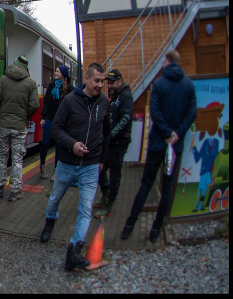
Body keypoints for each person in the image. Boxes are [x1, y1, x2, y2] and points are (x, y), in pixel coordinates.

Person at [38, 62, 110, 272]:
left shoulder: (104, 102)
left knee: (85, 209)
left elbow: (107, 134)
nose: (100, 85)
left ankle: (74, 251)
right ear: (86, 79)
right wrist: (72, 144)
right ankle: (49, 223)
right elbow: (57, 129)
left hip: (90, 166)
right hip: (67, 164)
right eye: (96, 81)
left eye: (102, 82)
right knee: (55, 199)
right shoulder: (70, 101)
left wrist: (102, 160)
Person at [121, 50, 196, 243]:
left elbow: (155, 111)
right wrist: (176, 134)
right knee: (168, 188)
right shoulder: (188, 85)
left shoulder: (159, 84)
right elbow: (191, 113)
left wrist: (165, 133)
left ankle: (129, 226)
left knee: (146, 185)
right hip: (175, 146)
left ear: (167, 61)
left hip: (157, 143)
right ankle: (155, 230)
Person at [0, 55, 39, 202]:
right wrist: (24, 116)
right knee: (17, 159)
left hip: (3, 125)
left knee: (1, 157)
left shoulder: (3, 79)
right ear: (26, 67)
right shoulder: (31, 83)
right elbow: (35, 105)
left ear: (14, 64)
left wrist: (1, 113)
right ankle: (15, 192)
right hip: (19, 127)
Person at [93, 69, 133, 217]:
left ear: (120, 82)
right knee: (99, 170)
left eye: (112, 83)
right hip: (109, 143)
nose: (109, 85)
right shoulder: (112, 95)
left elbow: (125, 119)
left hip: (119, 144)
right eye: (108, 83)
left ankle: (110, 204)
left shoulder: (126, 96)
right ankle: (106, 193)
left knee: (115, 175)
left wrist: (110, 135)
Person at [39, 65, 74, 179]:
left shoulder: (69, 89)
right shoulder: (51, 86)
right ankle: (42, 166)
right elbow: (46, 102)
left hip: (61, 121)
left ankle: (56, 171)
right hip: (50, 118)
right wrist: (43, 117)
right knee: (45, 143)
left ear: (63, 74)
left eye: (58, 72)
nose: (55, 73)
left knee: (59, 146)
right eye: (56, 71)